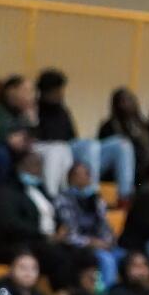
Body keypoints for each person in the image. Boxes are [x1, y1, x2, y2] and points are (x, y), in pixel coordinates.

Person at [38, 68, 136, 201]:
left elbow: (73, 135)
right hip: (57, 155)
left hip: (77, 156)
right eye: (57, 90)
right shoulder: (36, 110)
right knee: (91, 145)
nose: (60, 94)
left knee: (121, 144)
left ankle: (125, 195)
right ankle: (90, 195)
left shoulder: (62, 110)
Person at [0, 150, 58, 269]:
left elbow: (55, 213)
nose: (36, 169)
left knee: (77, 254)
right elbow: (10, 224)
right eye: (31, 164)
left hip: (42, 240)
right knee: (57, 256)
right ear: (19, 166)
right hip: (13, 243)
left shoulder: (41, 190)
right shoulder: (8, 191)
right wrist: (42, 234)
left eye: (39, 165)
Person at [54, 160, 120, 288]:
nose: (82, 178)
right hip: (79, 247)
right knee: (106, 260)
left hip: (101, 244)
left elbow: (105, 225)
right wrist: (90, 242)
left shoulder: (96, 199)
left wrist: (106, 242)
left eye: (86, 174)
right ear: (69, 179)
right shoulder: (63, 200)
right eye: (77, 175)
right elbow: (69, 234)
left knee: (125, 256)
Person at [98, 87, 149, 186]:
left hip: (143, 170)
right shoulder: (108, 126)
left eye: (128, 100)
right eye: (121, 101)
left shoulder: (143, 124)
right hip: (119, 172)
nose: (125, 105)